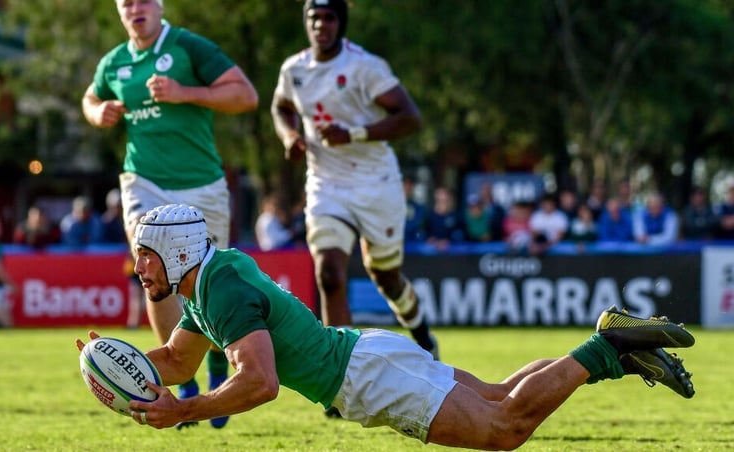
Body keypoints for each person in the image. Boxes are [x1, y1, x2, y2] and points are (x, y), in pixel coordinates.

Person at [76, 203, 696, 450]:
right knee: (503, 396)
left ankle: (610, 345)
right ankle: (613, 345)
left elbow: (259, 383)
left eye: (145, 255)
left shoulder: (223, 290)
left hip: (364, 377)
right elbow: (178, 363)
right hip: (367, 354)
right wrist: (111, 359)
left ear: (178, 252)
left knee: (506, 429)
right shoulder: (207, 285)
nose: (137, 268)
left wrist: (183, 413)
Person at [80, 0, 258, 429]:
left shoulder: (187, 47)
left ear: (159, 6)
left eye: (143, 1)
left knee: (208, 280)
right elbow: (90, 95)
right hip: (143, 180)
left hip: (200, 183)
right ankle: (183, 381)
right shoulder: (115, 62)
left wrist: (186, 93)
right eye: (126, 3)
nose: (135, 8)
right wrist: (95, 112)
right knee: (154, 274)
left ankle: (216, 360)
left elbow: (245, 96)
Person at [270, 0, 439, 413]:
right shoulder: (294, 69)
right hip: (327, 184)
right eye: (313, 18)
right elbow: (280, 107)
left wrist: (356, 133)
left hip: (375, 183)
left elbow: (411, 117)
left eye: (328, 18)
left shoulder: (365, 66)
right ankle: (339, 376)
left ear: (340, 24)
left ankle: (420, 331)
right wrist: (290, 137)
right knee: (329, 273)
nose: (319, 25)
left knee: (387, 278)